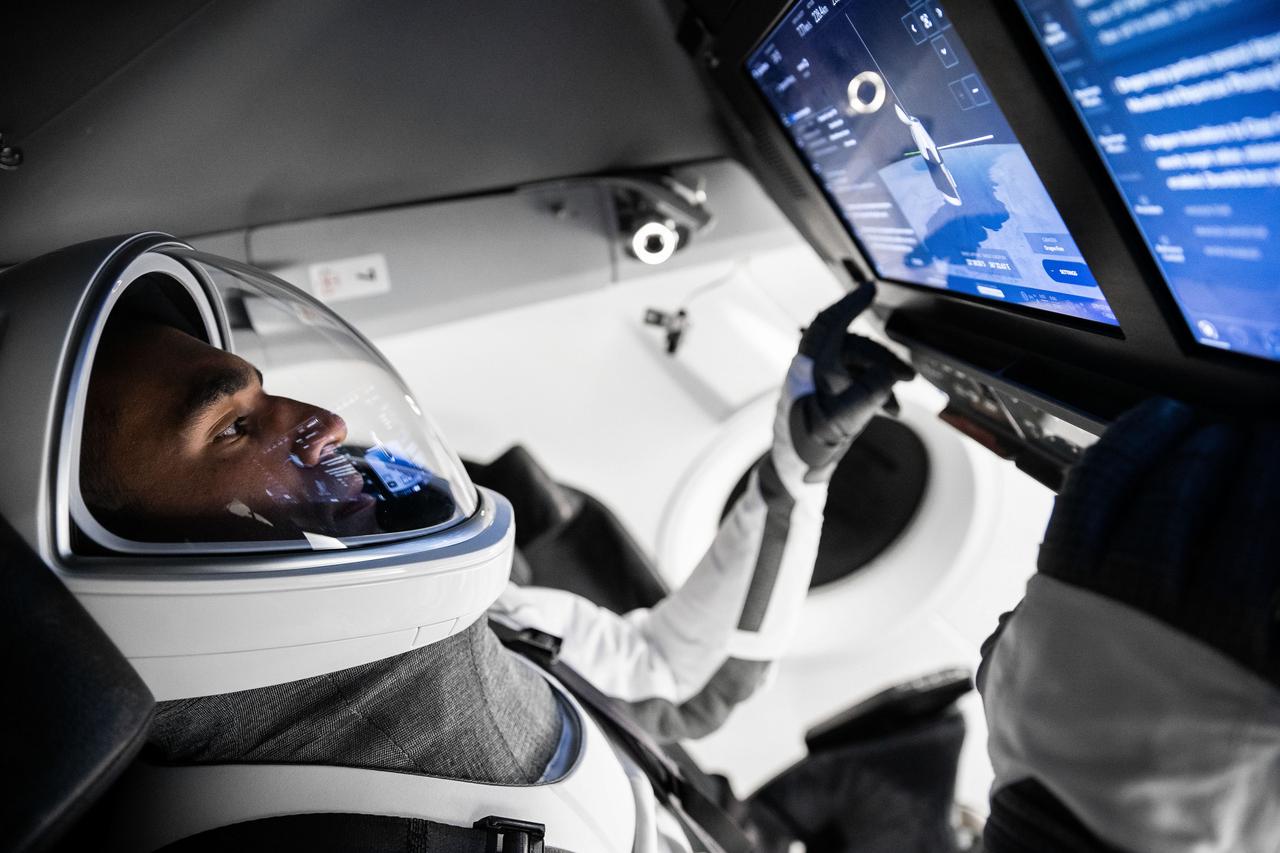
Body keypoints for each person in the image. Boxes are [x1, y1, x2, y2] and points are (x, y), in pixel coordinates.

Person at [50, 237, 919, 852]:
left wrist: (795, 473)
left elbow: (674, 673)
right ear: (116, 549)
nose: (327, 424)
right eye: (233, 427)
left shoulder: (453, 608)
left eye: (263, 392)